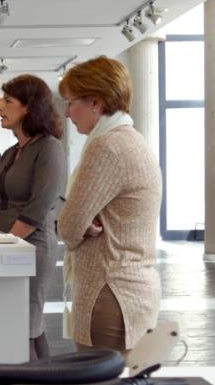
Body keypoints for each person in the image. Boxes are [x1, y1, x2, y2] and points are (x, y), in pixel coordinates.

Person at [57, 56, 162, 357]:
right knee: (125, 380)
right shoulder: (132, 140)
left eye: (71, 102)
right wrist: (82, 221)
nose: (67, 112)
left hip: (108, 292)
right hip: (132, 290)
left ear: (96, 103)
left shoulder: (106, 147)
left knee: (102, 382)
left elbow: (69, 227)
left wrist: (78, 223)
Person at [0, 74, 66, 361]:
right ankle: (47, 380)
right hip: (6, 246)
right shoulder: (9, 153)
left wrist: (4, 244)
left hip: (33, 248)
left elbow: (38, 208)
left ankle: (32, 384)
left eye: (7, 101)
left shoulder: (49, 148)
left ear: (29, 107)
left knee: (26, 325)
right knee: (26, 324)